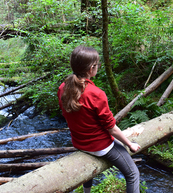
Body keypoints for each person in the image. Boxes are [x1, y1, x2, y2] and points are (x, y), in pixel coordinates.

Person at [57, 45, 141, 193]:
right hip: (100, 147)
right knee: (133, 173)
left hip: (78, 142)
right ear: (91, 69)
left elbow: (68, 115)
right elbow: (111, 128)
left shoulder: (63, 87)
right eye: (98, 64)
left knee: (89, 169)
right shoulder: (96, 93)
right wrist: (130, 144)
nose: (99, 67)